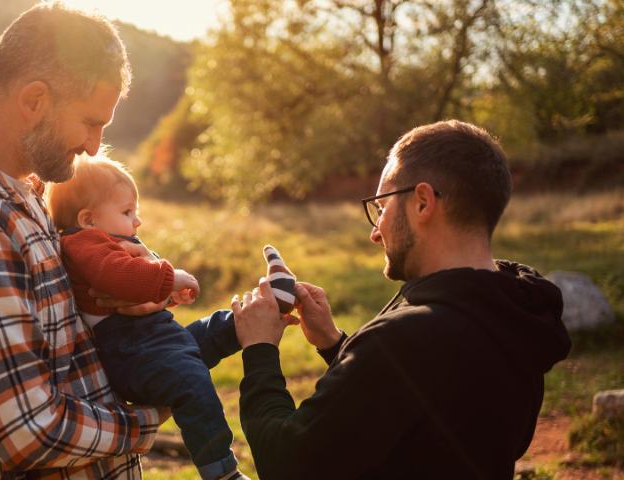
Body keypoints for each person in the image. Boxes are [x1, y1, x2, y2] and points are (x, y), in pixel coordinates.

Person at [0, 4, 168, 478]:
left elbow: (56, 353)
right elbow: (30, 430)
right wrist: (148, 417)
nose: (92, 145)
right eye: (89, 121)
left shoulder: (24, 193)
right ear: (35, 99)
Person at [231, 120, 572, 479]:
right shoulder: (518, 313)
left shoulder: (406, 338)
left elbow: (287, 462)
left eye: (381, 208)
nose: (375, 233)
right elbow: (420, 412)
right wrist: (335, 345)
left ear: (423, 202)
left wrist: (259, 350)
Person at [44, 154, 248, 480]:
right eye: (127, 212)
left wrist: (165, 294)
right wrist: (170, 277)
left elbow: (133, 281)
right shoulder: (83, 242)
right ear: (87, 219)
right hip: (132, 351)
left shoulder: (103, 240)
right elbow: (120, 276)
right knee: (191, 381)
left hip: (150, 340)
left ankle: (252, 317)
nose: (136, 221)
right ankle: (221, 472)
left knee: (206, 334)